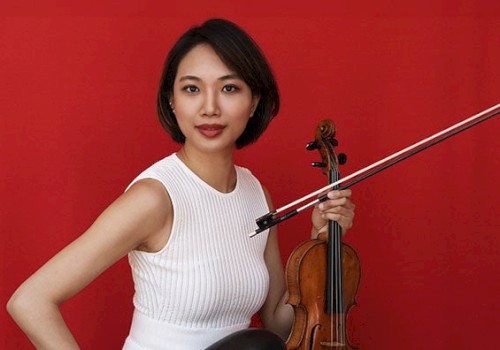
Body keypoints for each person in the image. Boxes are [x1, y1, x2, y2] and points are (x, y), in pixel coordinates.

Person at [7, 18, 355, 349]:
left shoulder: (255, 193)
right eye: (191, 89)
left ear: (254, 102)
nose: (209, 107)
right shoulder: (154, 198)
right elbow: (31, 301)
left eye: (229, 88)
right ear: (172, 101)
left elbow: (278, 327)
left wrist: (322, 239)